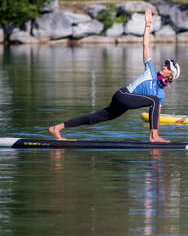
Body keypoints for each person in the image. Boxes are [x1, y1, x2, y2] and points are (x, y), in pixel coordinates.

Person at [49, 9, 179, 142]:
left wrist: (156, 127)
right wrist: (147, 25)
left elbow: (156, 115)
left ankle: (57, 128)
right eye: (166, 64)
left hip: (122, 106)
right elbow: (146, 45)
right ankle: (153, 137)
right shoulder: (150, 71)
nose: (164, 66)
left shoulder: (161, 95)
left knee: (94, 118)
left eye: (168, 67)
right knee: (154, 101)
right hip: (122, 95)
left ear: (170, 77)